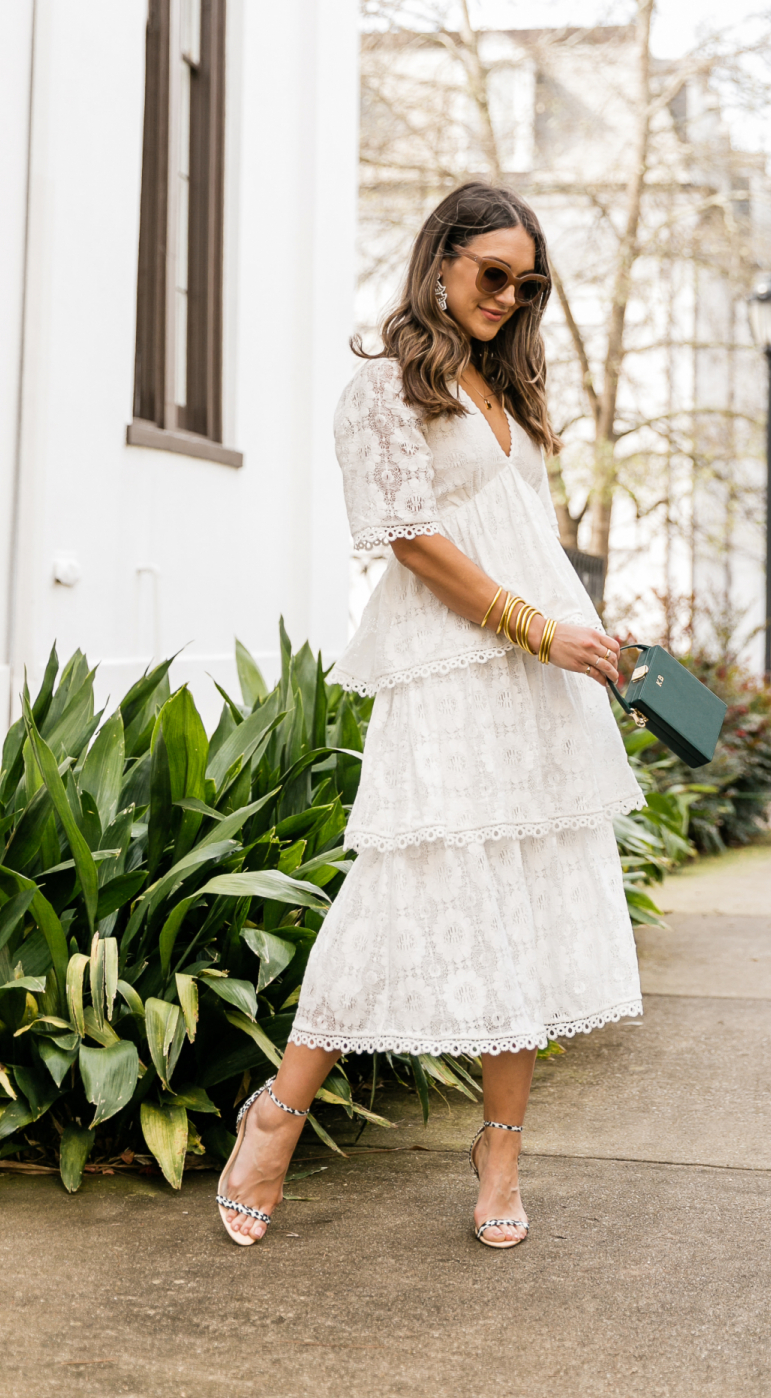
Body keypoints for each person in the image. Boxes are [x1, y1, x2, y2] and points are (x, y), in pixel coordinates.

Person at [216, 181, 644, 1250]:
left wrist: (579, 639)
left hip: (537, 678)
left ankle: (499, 1151)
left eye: (526, 283)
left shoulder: (510, 387)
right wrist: (535, 627)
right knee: (393, 891)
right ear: (440, 258)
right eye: (492, 272)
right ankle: (276, 1112)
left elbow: (524, 537)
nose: (508, 295)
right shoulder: (381, 387)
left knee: (532, 906)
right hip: (450, 676)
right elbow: (407, 537)